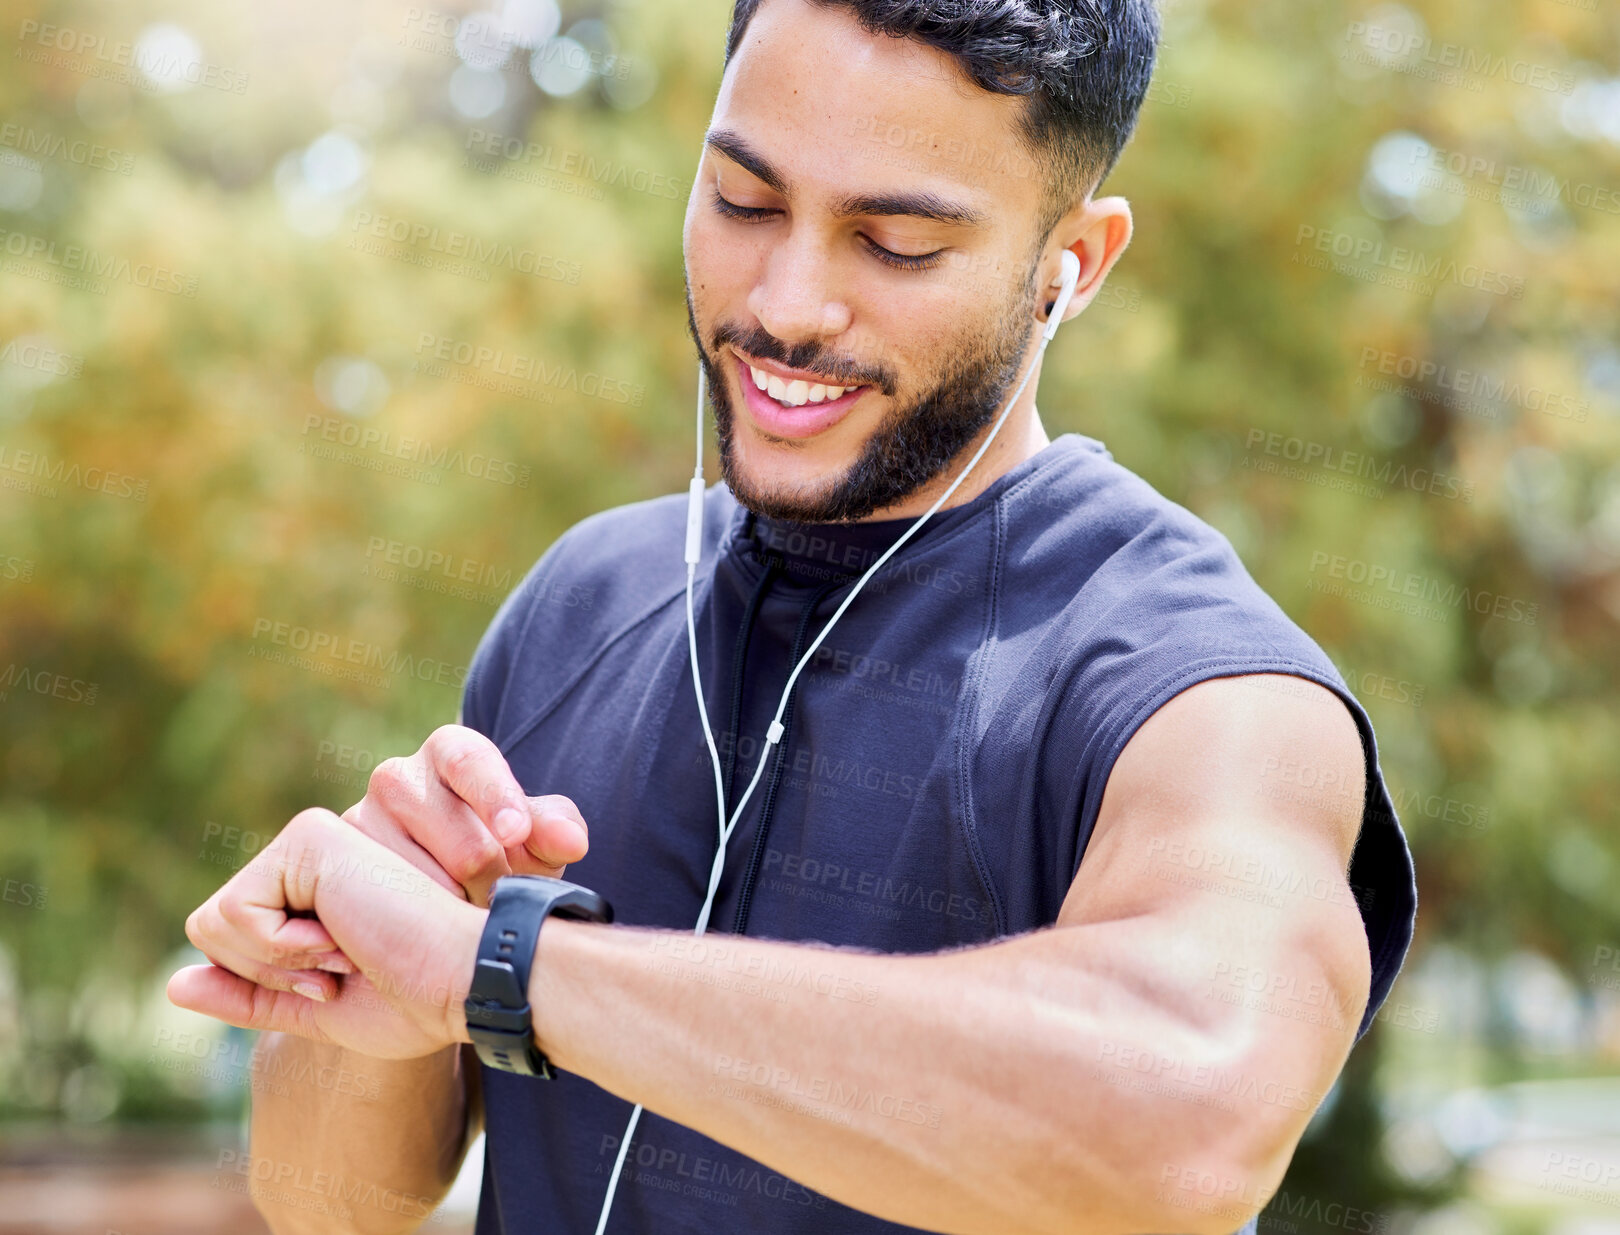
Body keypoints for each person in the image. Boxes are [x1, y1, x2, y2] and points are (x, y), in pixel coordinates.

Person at [171, 0, 1418, 1232]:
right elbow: (326, 1205)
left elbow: (1191, 1116)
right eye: (745, 202)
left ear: (1070, 266)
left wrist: (507, 972)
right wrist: (369, 957)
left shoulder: (1205, 684)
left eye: (897, 242)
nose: (788, 302)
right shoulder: (583, 599)